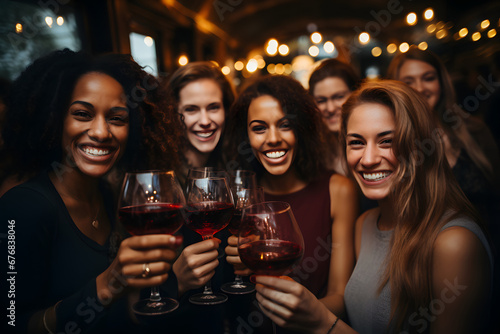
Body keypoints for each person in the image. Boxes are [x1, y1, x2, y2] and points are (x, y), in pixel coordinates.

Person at [250, 80, 493, 334]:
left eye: (387, 141)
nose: (368, 159)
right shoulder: (364, 224)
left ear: (420, 144)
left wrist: (323, 323)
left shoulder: (454, 243)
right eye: (356, 142)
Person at [0, 49, 184, 333]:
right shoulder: (22, 209)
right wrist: (106, 285)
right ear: (54, 120)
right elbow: (11, 323)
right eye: (82, 114)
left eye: (117, 118)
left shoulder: (113, 199)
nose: (100, 131)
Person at [225, 75, 359, 317]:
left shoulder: (338, 190)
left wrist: (297, 314)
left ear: (302, 128)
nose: (273, 138)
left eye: (285, 125)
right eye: (259, 128)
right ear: (246, 136)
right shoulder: (238, 197)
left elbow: (340, 297)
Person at [386, 47, 500, 233]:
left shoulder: (474, 130)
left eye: (428, 78)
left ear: (441, 82)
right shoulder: (391, 143)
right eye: (408, 81)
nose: (420, 88)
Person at [308, 59, 361, 175]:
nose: (330, 108)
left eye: (338, 97)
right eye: (321, 100)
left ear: (356, 95)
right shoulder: (312, 155)